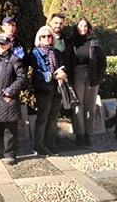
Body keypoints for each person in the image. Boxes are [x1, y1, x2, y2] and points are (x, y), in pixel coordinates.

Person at [0, 34, 27, 165]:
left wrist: (11, 90)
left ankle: (9, 152)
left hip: (8, 98)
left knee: (9, 127)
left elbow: (22, 78)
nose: (0, 47)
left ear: (8, 44)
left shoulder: (15, 60)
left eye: (3, 44)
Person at [68, 17, 107, 147]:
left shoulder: (94, 42)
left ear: (88, 27)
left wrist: (99, 76)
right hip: (77, 74)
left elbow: (102, 61)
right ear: (76, 27)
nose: (83, 28)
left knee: (90, 106)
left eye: (85, 26)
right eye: (80, 26)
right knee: (78, 106)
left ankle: (88, 134)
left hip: (92, 75)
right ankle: (79, 134)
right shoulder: (71, 42)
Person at [31, 25, 66, 156]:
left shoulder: (56, 52)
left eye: (49, 36)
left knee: (53, 118)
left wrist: (62, 73)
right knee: (42, 118)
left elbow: (62, 66)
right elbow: (37, 72)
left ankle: (50, 143)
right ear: (39, 38)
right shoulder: (35, 53)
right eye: (43, 36)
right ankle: (38, 146)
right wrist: (52, 75)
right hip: (43, 89)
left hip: (57, 88)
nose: (46, 38)